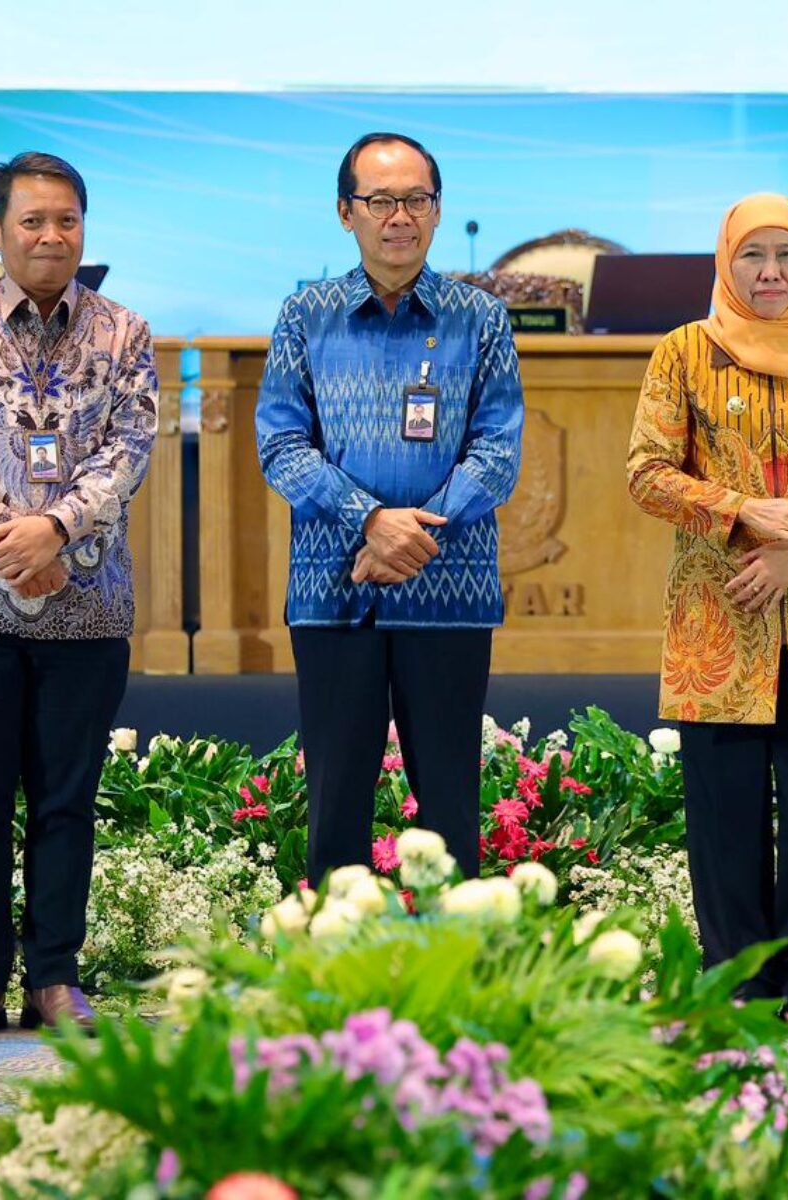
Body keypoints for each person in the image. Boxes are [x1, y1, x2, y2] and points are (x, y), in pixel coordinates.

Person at [627, 193, 788, 1036]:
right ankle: (739, 987)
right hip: (720, 620)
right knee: (724, 818)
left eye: (787, 255)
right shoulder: (684, 352)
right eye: (753, 255)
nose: (770, 272)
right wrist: (745, 511)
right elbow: (647, 473)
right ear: (725, 262)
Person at [256, 132, 523, 889]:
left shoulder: (481, 318)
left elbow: (498, 452)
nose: (399, 216)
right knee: (335, 800)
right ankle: (333, 954)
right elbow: (281, 445)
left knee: (450, 807)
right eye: (380, 201)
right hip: (334, 588)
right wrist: (372, 522)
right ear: (346, 212)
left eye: (416, 199)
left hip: (449, 592)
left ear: (437, 210)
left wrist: (416, 532)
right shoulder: (306, 316)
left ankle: (452, 953)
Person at [0, 152, 158, 1040]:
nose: (50, 236)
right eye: (32, 221)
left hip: (88, 604)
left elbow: (130, 450)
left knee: (66, 800)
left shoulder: (125, 333)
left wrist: (55, 531)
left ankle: (54, 977)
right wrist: (9, 542)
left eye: (66, 220)